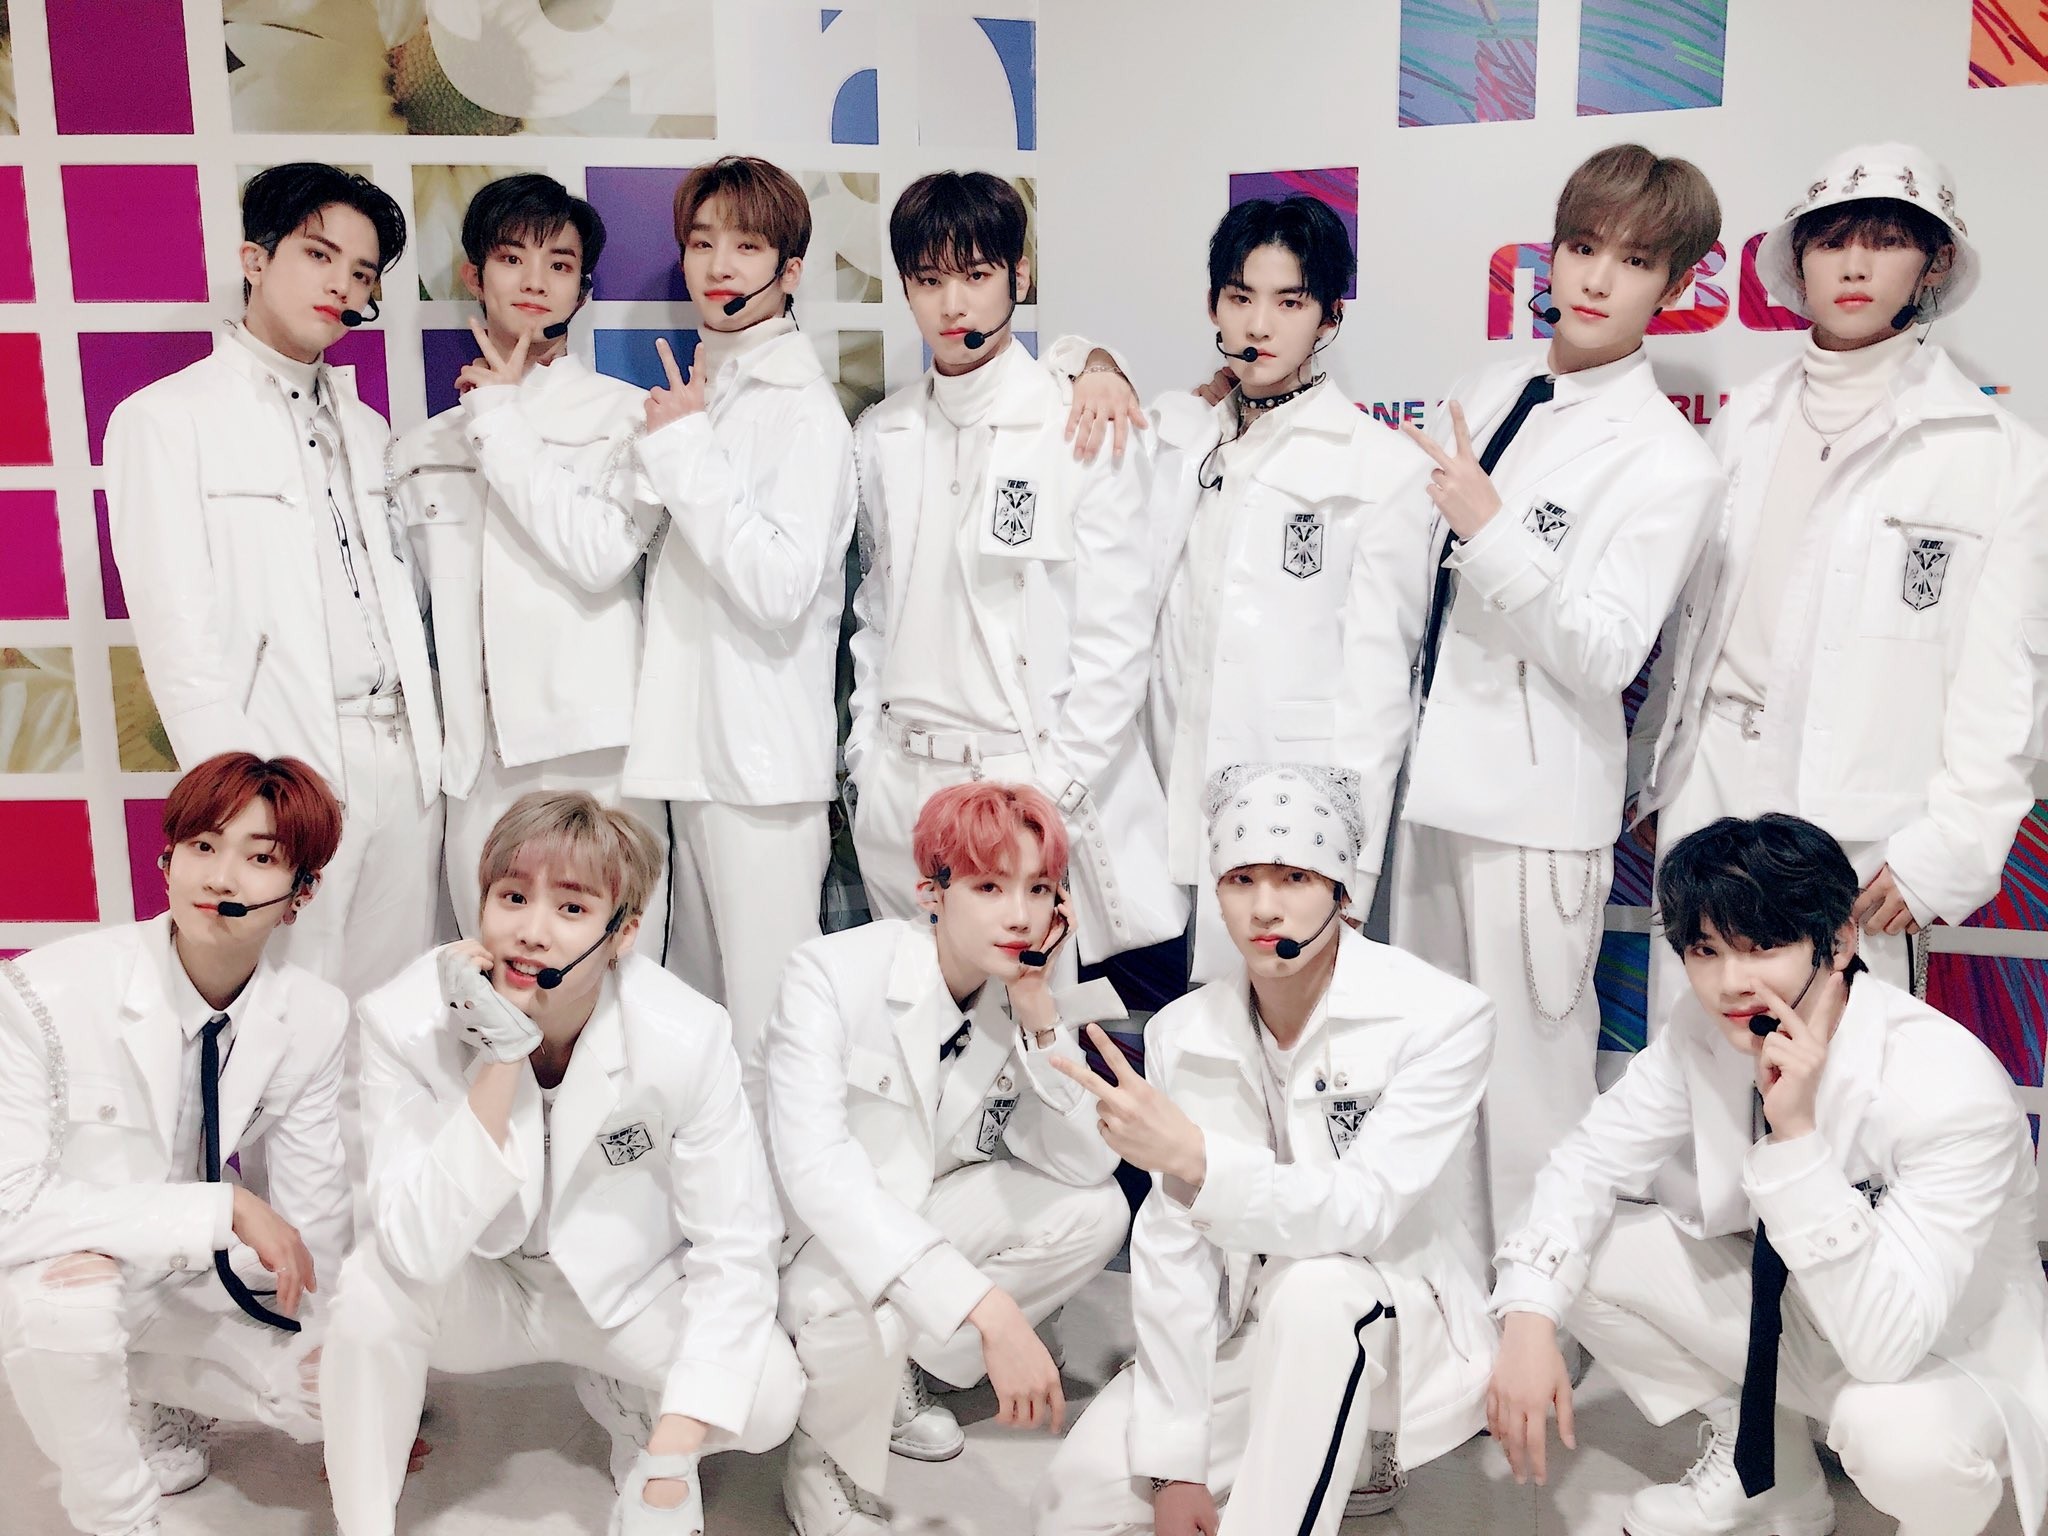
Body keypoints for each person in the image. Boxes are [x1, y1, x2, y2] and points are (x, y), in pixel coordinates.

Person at [1487, 813, 2048, 1536]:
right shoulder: (1703, 1030)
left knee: (1896, 1438)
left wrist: (1798, 1140)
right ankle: (1770, 1482)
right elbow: (1587, 1162)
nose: (1731, 983)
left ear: (1839, 943)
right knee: (1583, 1255)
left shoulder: (1947, 1088)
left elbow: (1885, 1346)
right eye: (1706, 950)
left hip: (1945, 1355)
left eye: (1764, 947)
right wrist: (1529, 1318)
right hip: (1803, 1316)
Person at [1366, 142, 1727, 1251]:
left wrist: (1491, 530)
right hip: (1425, 790)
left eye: (1633, 261)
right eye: (1581, 246)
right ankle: (1438, 1313)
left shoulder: (1669, 461)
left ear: (1674, 286)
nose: (1596, 279)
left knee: (1529, 1103)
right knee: (1422, 1079)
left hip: (1533, 814)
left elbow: (1607, 650)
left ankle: (1534, 1321)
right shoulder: (1491, 387)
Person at [1629, 142, 2048, 1017]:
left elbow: (2004, 684)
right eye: (1831, 241)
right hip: (1710, 788)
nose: (1855, 265)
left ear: (1935, 261)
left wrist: (1951, 848)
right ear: (1798, 260)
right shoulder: (1745, 418)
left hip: (1861, 818)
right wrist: (1659, 771)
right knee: (1691, 1057)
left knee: (1840, 1068)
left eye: (1887, 240)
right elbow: (1694, 625)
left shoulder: (2000, 456)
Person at [1033, 763, 1498, 1536]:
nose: (1265, 906)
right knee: (1072, 1505)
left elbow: (1362, 1212)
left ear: (1341, 891)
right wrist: (1176, 1467)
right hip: (1249, 1322)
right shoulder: (1180, 1032)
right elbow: (1172, 1250)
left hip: (1392, 1318)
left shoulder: (1441, 1017)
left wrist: (1197, 1161)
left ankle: (1361, 1439)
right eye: (1241, 879)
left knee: (1315, 1292)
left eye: (1295, 877)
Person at [320, 792, 801, 1535]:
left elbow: (736, 1244)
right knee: (367, 1294)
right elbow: (413, 1245)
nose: (532, 931)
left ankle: (632, 1411)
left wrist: (670, 1456)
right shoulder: (402, 1022)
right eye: (512, 897)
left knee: (767, 1396)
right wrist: (501, 1054)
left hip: (627, 1295)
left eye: (572, 908)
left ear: (623, 933)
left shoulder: (685, 1035)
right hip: (486, 1283)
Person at [105, 163, 439, 999]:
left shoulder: (370, 430)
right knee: (287, 1010)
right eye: (319, 255)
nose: (341, 285)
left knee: (394, 1006)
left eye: (361, 272)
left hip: (404, 760)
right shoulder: (164, 419)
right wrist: (239, 799)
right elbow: (174, 632)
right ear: (255, 259)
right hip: (284, 759)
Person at [844, 169, 1185, 977]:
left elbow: (1117, 637)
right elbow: (877, 613)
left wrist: (1051, 789)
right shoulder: (883, 434)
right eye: (929, 280)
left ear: (1018, 277)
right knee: (911, 1021)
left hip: (1019, 783)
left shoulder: (1078, 420)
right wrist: (866, 759)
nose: (953, 304)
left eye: (976, 275)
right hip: (899, 785)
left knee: (1033, 1027)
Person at [765, 780, 1130, 1534]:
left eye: (1038, 889)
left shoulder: (1018, 994)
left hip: (926, 1210)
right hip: (816, 1240)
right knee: (842, 1306)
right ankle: (818, 1460)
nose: (1019, 914)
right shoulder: (830, 974)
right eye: (989, 886)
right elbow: (817, 1175)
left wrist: (1039, 1021)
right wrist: (988, 1310)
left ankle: (903, 1367)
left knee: (1096, 1213)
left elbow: (1085, 1165)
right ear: (932, 894)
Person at [0, 752, 349, 1536]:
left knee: (341, 1393)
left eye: (260, 858)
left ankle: (160, 1392)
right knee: (69, 1311)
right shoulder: (41, 993)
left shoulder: (314, 1014)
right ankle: (118, 1519)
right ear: (168, 857)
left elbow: (314, 1210)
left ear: (301, 892)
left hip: (194, 1273)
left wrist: (347, 1381)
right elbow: (9, 1207)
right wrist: (220, 1208)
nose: (220, 877)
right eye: (202, 846)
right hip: (71, 1260)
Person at [1144, 197, 1432, 979]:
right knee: (1168, 1032)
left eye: (1290, 302)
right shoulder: (1183, 438)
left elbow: (1378, 693)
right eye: (1241, 297)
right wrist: (1090, 361)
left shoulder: (1381, 468)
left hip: (1291, 832)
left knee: (1278, 1035)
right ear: (1213, 306)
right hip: (1165, 810)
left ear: (1330, 316)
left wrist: (1352, 867)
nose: (1260, 325)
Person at [389, 172, 669, 948]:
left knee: (616, 968)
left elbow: (600, 555)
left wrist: (500, 418)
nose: (535, 281)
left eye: (560, 263)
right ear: (474, 275)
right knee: (489, 972)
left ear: (584, 288)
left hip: (597, 748)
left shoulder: (628, 416)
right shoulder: (424, 447)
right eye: (512, 259)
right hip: (474, 762)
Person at [623, 155, 857, 1063]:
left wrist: (685, 451)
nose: (719, 264)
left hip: (761, 770)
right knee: (700, 1033)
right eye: (702, 242)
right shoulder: (708, 386)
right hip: (694, 758)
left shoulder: (802, 409)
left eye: (747, 246)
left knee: (772, 1037)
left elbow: (778, 586)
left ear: (789, 271)